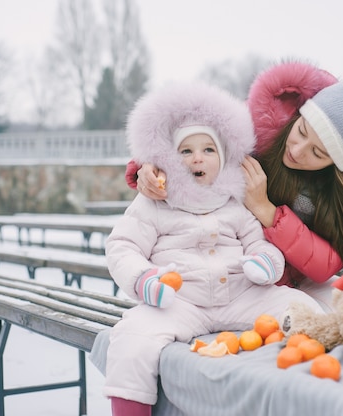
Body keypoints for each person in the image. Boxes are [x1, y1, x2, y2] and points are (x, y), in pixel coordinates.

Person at [104, 81, 323, 416]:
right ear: (170, 159)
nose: (198, 158)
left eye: (208, 150)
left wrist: (265, 261)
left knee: (301, 309)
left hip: (241, 293)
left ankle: (310, 395)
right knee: (132, 339)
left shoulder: (235, 198)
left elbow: (257, 239)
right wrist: (144, 279)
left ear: (223, 157)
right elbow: (122, 246)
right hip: (181, 300)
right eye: (186, 151)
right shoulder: (154, 202)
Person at [128, 60, 343, 311]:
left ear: (337, 165)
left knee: (340, 309)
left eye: (318, 153)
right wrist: (147, 167)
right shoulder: (254, 122)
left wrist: (266, 211)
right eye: (301, 131)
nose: (298, 150)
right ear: (299, 116)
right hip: (220, 273)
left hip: (282, 285)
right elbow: (192, 142)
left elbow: (328, 263)